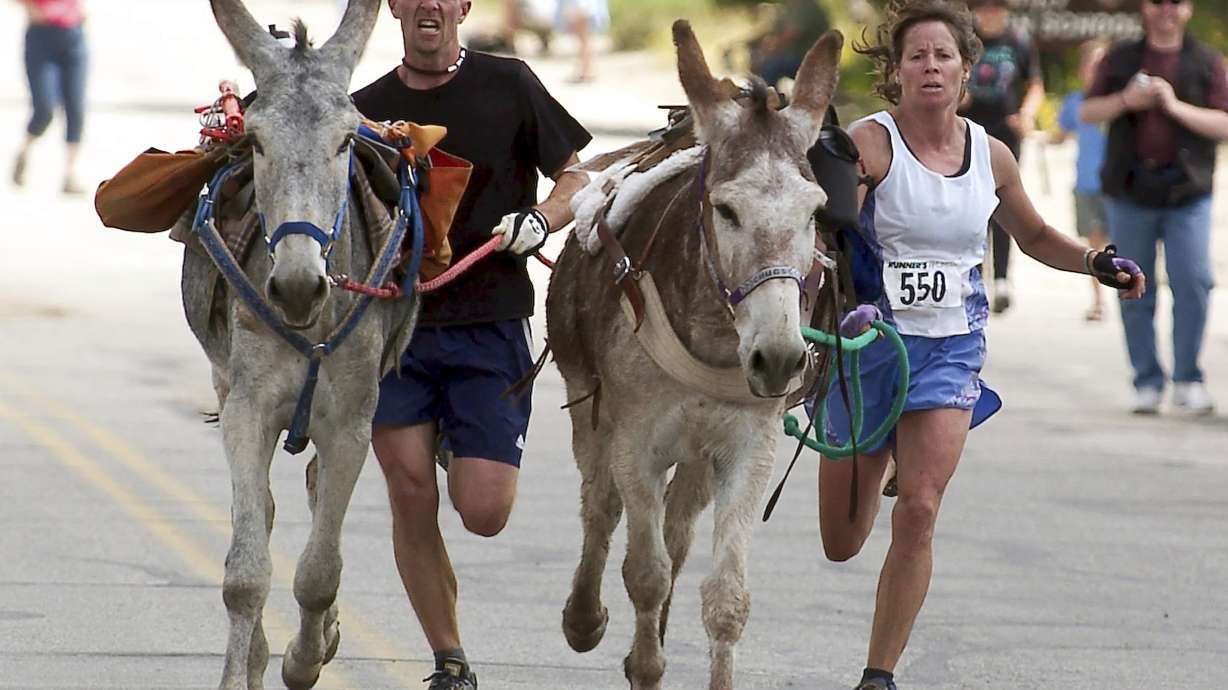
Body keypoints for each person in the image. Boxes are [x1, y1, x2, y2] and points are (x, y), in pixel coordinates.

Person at [816, 2, 1144, 688]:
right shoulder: (872, 143)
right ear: (896, 72)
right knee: (841, 543)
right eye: (917, 56)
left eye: (944, 56)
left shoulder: (989, 154)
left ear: (967, 70)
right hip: (868, 349)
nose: (930, 66)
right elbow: (828, 217)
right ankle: (885, 456)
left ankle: (879, 674)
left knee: (923, 508)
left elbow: (1032, 235)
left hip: (949, 350)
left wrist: (1094, 263)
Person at [350, 0, 591, 688]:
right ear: (395, 6)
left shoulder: (509, 82)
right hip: (395, 330)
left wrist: (541, 222)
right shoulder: (363, 110)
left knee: (484, 512)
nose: (429, 3)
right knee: (409, 490)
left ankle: (462, 437)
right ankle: (449, 660)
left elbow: (577, 175)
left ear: (462, 7)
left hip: (490, 324)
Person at [1080, 0, 1228, 416]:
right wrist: (1127, 100)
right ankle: (1146, 380)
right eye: (1157, 1)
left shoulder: (1207, 61)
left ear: (1188, 9)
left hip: (1188, 192)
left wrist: (1172, 104)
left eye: (1175, 2)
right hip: (1130, 190)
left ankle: (1187, 379)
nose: (1166, 9)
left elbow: (1223, 122)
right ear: (1144, 8)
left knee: (1194, 282)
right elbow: (1089, 111)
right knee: (1132, 285)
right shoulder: (1121, 57)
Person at [957, 0, 1044, 313]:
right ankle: (974, 273)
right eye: (985, 8)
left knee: (1003, 202)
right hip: (967, 130)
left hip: (1005, 131)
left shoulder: (1018, 40)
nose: (991, 14)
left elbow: (1034, 83)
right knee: (971, 204)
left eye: (997, 7)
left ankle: (1004, 278)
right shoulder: (963, 39)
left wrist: (1027, 114)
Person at [1053, 39, 1110, 321]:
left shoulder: (1121, 102)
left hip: (1119, 186)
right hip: (1087, 182)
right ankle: (1099, 300)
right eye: (1091, 64)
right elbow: (1060, 135)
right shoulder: (1074, 101)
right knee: (1095, 245)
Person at [11, 0, 88, 194]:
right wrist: (30, 8)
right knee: (44, 108)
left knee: (76, 107)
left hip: (74, 34)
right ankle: (24, 150)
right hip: (42, 36)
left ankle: (70, 174)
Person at [749, 0, 832, 90]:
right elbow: (776, 31)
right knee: (764, 60)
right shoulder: (792, 7)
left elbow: (791, 33)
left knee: (770, 65)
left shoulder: (805, 5)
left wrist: (766, 51)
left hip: (812, 62)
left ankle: (766, 98)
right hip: (802, 58)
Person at [555, 0, 607, 82]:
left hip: (581, 6)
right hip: (582, 6)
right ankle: (586, 68)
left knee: (584, 38)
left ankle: (587, 70)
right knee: (584, 38)